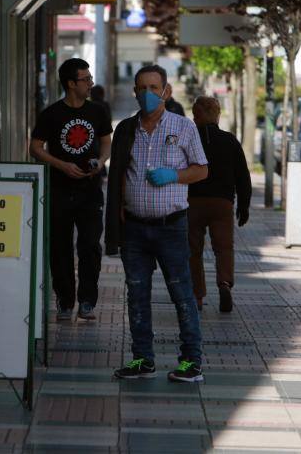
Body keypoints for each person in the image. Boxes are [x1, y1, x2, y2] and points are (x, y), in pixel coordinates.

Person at [105, 64, 208, 382]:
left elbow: (202, 169)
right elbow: (119, 173)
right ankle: (142, 359)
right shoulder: (126, 129)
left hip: (171, 226)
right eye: (141, 88)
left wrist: (174, 176)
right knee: (136, 295)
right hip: (134, 227)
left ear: (166, 91)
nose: (147, 94)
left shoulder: (183, 127)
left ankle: (191, 361)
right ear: (134, 92)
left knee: (182, 293)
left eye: (153, 88)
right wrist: (119, 211)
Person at [30, 58, 112, 321]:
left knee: (90, 245)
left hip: (90, 190)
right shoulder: (51, 114)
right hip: (60, 189)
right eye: (85, 79)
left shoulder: (98, 111)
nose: (90, 83)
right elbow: (35, 148)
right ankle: (65, 301)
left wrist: (100, 162)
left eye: (90, 79)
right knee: (60, 247)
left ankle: (87, 300)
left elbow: (106, 143)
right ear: (70, 83)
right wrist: (62, 165)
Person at [188, 96, 251, 313]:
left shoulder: (188, 139)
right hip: (222, 203)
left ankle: (196, 296)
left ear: (196, 116)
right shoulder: (230, 140)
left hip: (192, 203)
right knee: (224, 248)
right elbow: (243, 176)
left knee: (192, 250)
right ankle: (224, 283)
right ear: (217, 114)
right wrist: (244, 205)